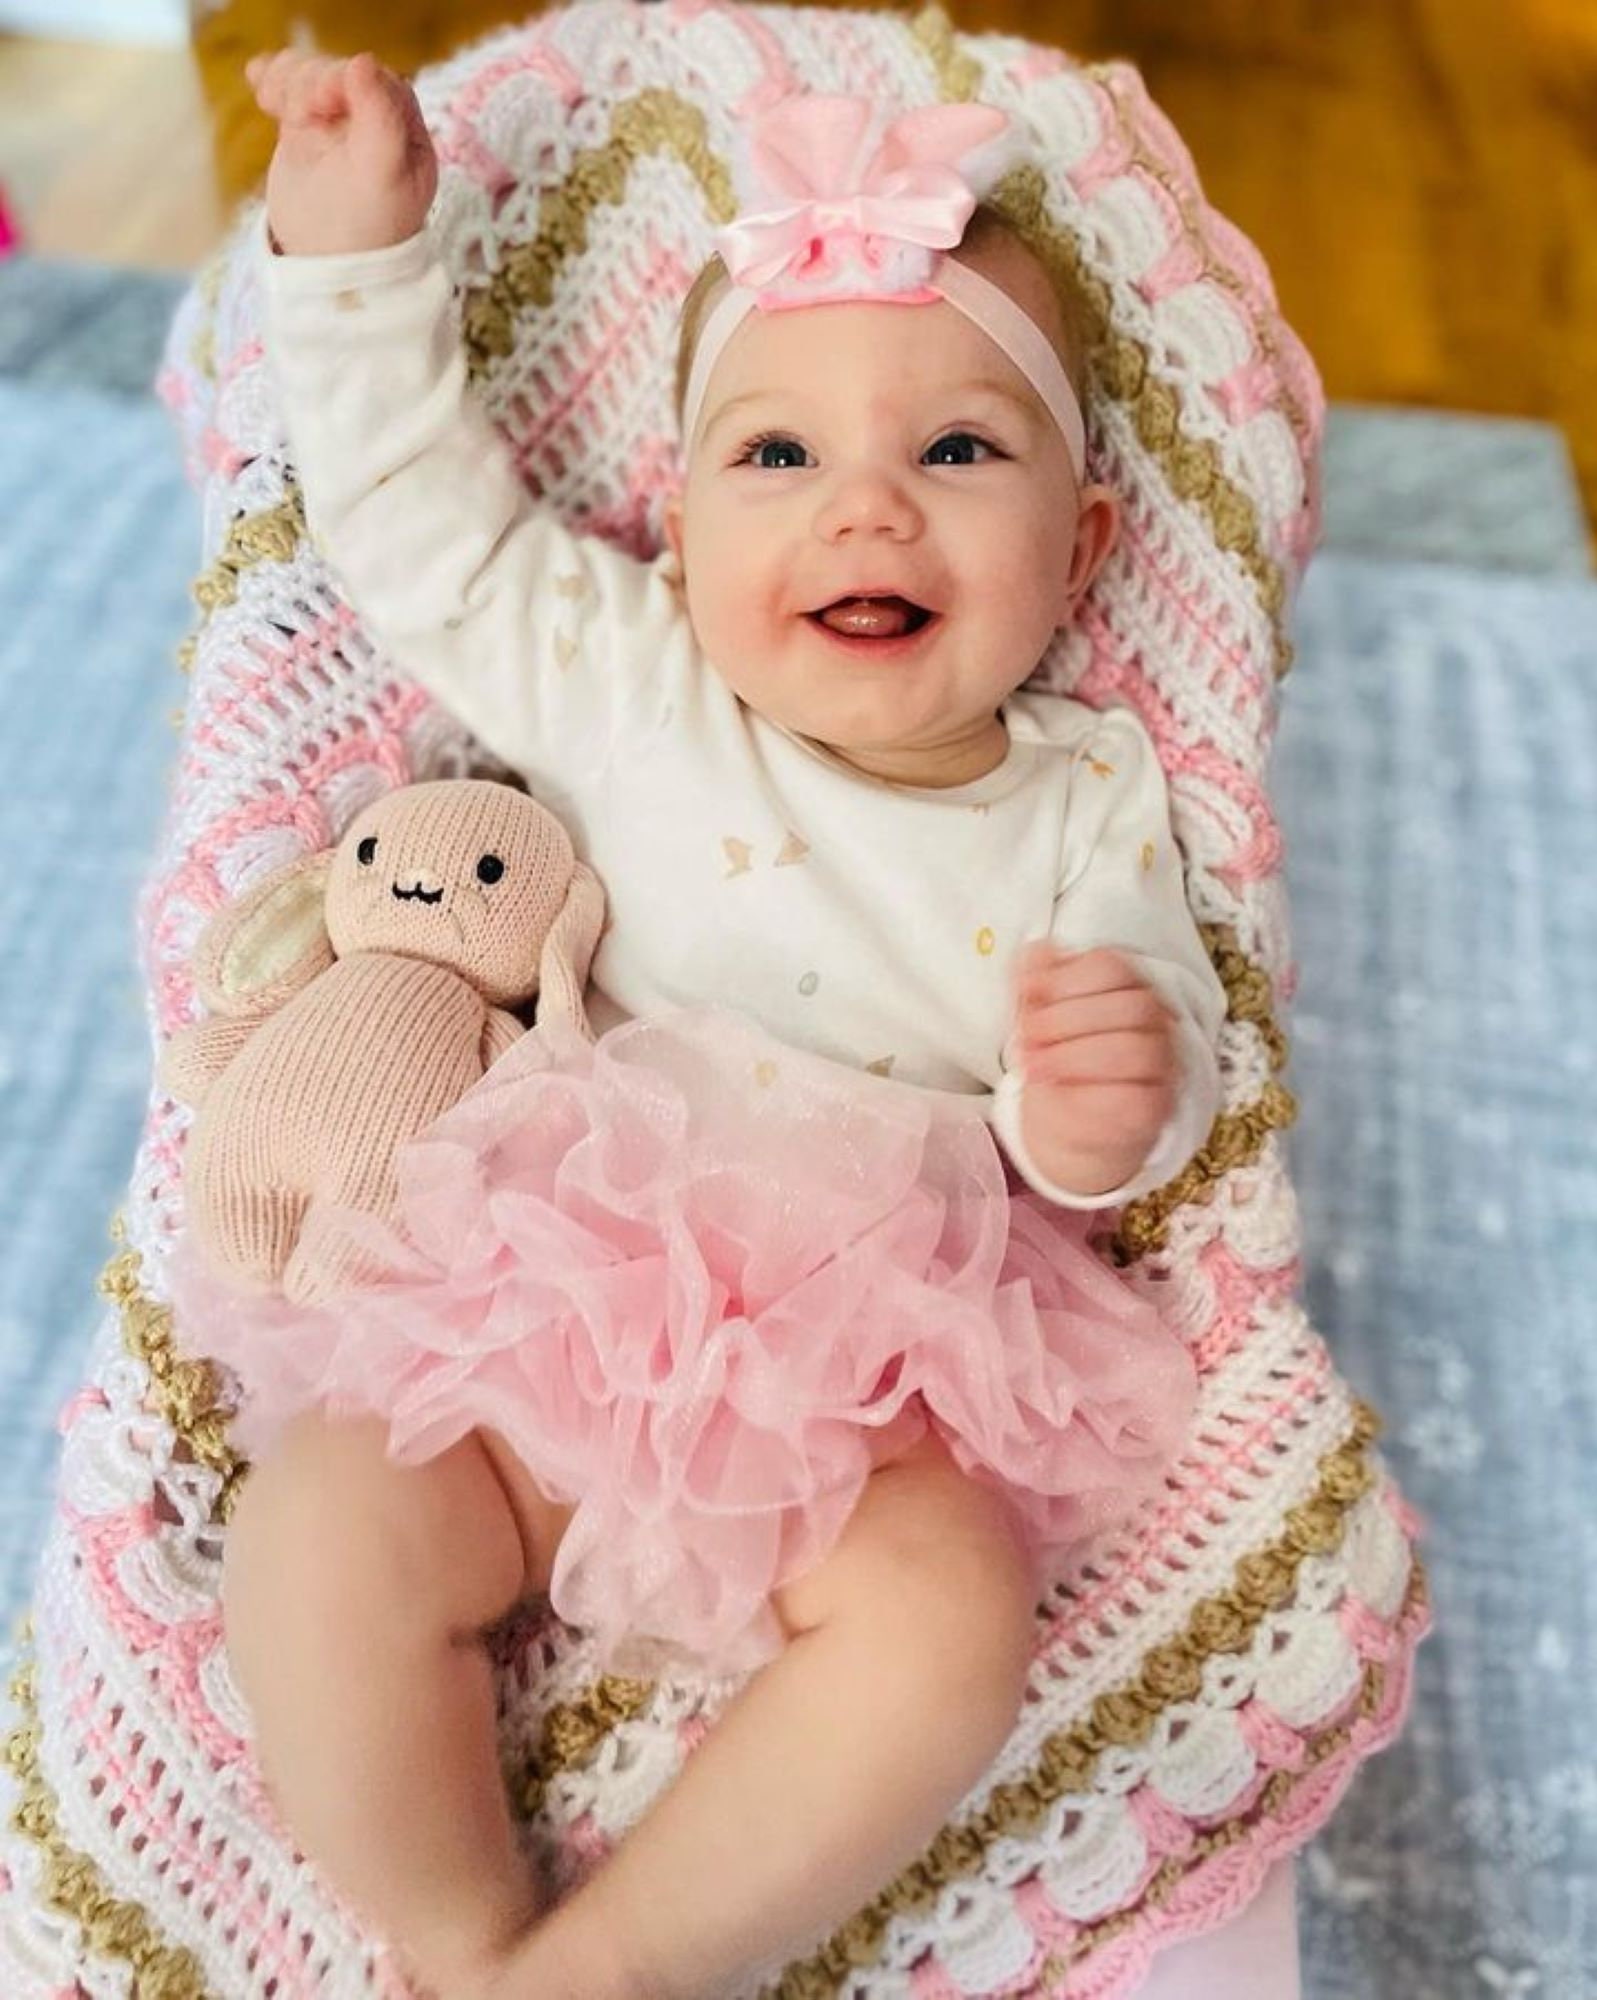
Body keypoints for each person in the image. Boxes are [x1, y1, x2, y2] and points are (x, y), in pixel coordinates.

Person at [215, 48, 1232, 2000]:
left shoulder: (1081, 797)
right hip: (559, 1277)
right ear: (676, 529)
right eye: (774, 456)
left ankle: (608, 1967)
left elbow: (1141, 1044)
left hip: (877, 1378)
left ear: (1085, 550)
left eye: (954, 453)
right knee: (325, 1523)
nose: (865, 507)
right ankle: (452, 1935)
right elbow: (412, 522)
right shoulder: (631, 675)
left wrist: (1111, 1095)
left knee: (945, 1619)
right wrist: (352, 252)